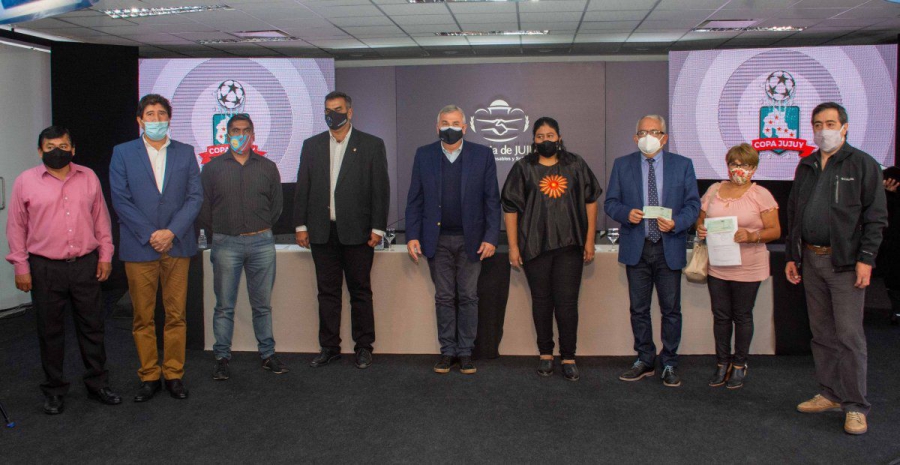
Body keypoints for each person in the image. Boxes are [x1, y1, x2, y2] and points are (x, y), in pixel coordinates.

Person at [786, 102, 887, 435]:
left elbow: (876, 217)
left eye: (830, 123)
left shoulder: (863, 164)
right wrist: (792, 255)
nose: (823, 130)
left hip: (845, 264)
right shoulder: (806, 165)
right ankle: (829, 393)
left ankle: (855, 406)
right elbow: (794, 212)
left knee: (849, 336)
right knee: (822, 334)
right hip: (811, 260)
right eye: (817, 124)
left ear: (844, 127)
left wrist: (866, 259)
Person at [6, 126, 121, 414]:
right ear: (40, 151)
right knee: (50, 331)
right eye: (50, 147)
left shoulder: (88, 176)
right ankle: (54, 390)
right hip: (45, 267)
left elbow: (101, 220)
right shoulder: (25, 181)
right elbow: (16, 227)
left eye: (63, 146)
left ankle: (97, 384)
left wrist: (105, 255)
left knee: (93, 327)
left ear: (73, 149)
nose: (57, 151)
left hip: (85, 265)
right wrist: (21, 266)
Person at [110, 94, 203, 402]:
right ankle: (149, 375)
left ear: (169, 119)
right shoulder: (123, 153)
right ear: (140, 120)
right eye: (150, 114)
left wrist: (171, 232)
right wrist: (152, 234)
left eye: (161, 113)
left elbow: (195, 197)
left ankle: (174, 374)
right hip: (141, 246)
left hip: (177, 244)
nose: (156, 119)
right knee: (143, 316)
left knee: (176, 314)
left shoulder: (185, 152)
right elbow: (121, 199)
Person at [294, 91, 390, 369]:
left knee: (360, 292)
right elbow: (303, 187)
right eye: (327, 110)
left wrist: (378, 228)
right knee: (327, 293)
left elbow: (380, 190)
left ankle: (364, 347)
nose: (331, 115)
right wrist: (300, 225)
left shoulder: (371, 145)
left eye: (337, 109)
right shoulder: (311, 145)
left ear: (349, 112)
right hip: (322, 232)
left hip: (359, 233)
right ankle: (329, 347)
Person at [501, 117, 601, 381]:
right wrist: (513, 247)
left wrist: (590, 240)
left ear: (559, 137)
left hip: (570, 246)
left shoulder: (575, 164)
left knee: (567, 303)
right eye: (540, 136)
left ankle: (568, 356)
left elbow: (591, 201)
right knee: (542, 302)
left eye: (550, 135)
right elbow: (510, 208)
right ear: (534, 140)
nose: (545, 140)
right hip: (535, 246)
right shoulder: (523, 168)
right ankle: (545, 354)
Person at [604, 114, 700, 388]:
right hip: (638, 247)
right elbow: (610, 203)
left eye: (655, 132)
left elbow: (693, 205)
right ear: (635, 138)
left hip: (669, 246)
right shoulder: (622, 165)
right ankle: (645, 358)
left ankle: (669, 362)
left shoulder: (682, 165)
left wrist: (677, 223)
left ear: (664, 138)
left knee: (671, 310)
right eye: (643, 132)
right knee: (639, 309)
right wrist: (626, 213)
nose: (649, 137)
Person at [405, 105, 501, 375]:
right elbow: (415, 200)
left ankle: (466, 352)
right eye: (445, 123)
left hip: (472, 240)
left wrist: (491, 237)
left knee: (469, 297)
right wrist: (412, 235)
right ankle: (447, 351)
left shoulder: (482, 155)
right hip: (436, 240)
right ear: (437, 127)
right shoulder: (424, 155)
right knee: (444, 297)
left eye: (456, 123)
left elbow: (492, 201)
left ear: (465, 127)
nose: (450, 128)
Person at [198, 114, 286, 380]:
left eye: (246, 130)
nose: (241, 135)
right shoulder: (211, 169)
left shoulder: (268, 167)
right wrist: (223, 231)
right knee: (224, 306)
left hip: (262, 242)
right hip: (226, 243)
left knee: (262, 306)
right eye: (235, 130)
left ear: (253, 134)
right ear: (227, 136)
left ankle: (267, 354)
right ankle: (222, 358)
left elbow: (276, 207)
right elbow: (204, 209)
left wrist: (260, 227)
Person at [696, 143, 780, 389]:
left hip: (748, 265)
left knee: (742, 316)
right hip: (718, 264)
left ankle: (740, 364)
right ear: (727, 165)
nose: (739, 169)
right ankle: (722, 362)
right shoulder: (714, 190)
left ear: (754, 168)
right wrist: (700, 229)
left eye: (745, 165)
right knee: (721, 316)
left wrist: (752, 236)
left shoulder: (761, 194)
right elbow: (700, 220)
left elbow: (775, 230)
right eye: (734, 164)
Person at [877, 166, 900, 325]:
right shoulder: (887, 197)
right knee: (892, 278)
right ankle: (897, 310)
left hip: (892, 243)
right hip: (891, 245)